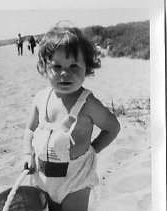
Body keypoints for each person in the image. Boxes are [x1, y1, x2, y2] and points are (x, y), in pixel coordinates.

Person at [23, 23, 120, 211]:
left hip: (76, 180)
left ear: (88, 68)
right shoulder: (41, 98)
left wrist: (93, 149)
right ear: (44, 67)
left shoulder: (88, 103)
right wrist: (27, 153)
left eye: (74, 66)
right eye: (56, 66)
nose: (65, 73)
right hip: (42, 177)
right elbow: (29, 129)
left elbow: (112, 127)